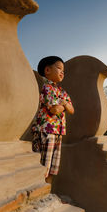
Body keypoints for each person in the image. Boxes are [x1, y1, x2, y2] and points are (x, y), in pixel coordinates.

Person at [31, 56, 74, 184]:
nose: (62, 72)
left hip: (58, 131)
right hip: (46, 130)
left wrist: (64, 105)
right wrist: (65, 104)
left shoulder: (62, 91)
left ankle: (46, 193)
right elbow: (54, 110)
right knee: (44, 165)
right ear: (48, 70)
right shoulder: (46, 88)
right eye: (59, 68)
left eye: (63, 71)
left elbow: (72, 109)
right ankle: (37, 192)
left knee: (53, 167)